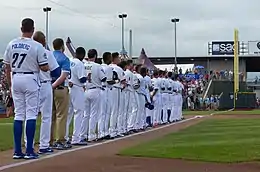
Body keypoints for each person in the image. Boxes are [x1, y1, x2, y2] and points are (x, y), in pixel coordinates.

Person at [3, 18, 49, 159]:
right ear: (33, 29)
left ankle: (17, 151)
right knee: (31, 114)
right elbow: (44, 67)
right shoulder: (36, 46)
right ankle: (29, 150)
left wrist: (10, 84)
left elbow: (7, 67)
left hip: (16, 77)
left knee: (19, 115)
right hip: (30, 78)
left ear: (21, 28)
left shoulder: (12, 43)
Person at [32, 31, 59, 154]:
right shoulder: (47, 53)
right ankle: (43, 145)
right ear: (43, 41)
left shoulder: (29, 52)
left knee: (30, 116)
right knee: (46, 117)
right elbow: (56, 72)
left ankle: (29, 145)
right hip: (45, 85)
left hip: (32, 85)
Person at [51, 38, 71, 150]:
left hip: (48, 88)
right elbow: (63, 76)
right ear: (62, 46)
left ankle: (49, 140)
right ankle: (60, 140)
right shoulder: (64, 58)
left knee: (50, 116)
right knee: (61, 116)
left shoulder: (49, 56)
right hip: (59, 88)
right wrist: (53, 85)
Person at [65, 47, 87, 145]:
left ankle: (64, 137)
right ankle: (76, 138)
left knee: (68, 113)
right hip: (77, 88)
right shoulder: (79, 63)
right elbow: (82, 79)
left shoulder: (69, 60)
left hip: (69, 87)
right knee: (79, 113)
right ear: (82, 55)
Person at [83, 49, 106, 142]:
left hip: (85, 89)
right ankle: (91, 135)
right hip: (95, 90)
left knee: (85, 114)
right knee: (93, 114)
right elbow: (103, 78)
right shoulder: (97, 66)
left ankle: (82, 134)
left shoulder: (83, 65)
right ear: (95, 56)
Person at [99, 52, 114, 139]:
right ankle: (104, 132)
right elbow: (109, 81)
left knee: (102, 112)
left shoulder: (100, 66)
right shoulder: (108, 68)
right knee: (106, 112)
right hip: (106, 89)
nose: (111, 59)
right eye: (110, 57)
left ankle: (103, 132)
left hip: (101, 89)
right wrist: (116, 81)